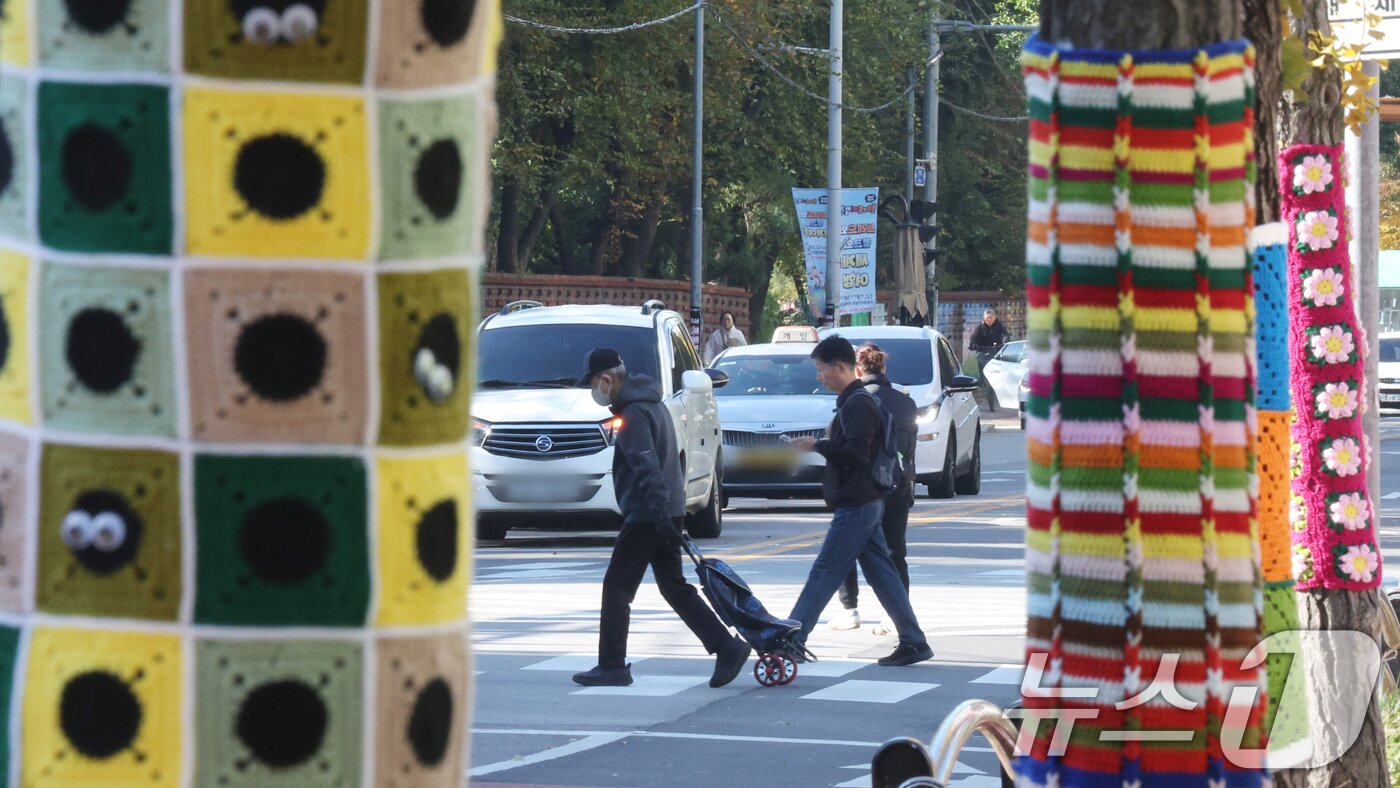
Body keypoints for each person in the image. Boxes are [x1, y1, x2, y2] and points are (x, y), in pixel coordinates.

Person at [571, 348, 752, 688]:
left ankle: (612, 665)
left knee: (616, 588)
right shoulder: (653, 404)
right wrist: (670, 513)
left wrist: (657, 516)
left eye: (594, 383)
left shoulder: (635, 414)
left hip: (647, 514)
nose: (594, 390)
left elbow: (647, 466)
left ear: (606, 380)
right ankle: (727, 646)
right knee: (674, 587)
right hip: (665, 509)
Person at [787, 336, 933, 667]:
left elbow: (856, 453)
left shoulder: (858, 404)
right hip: (866, 501)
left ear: (841, 367)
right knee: (882, 572)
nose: (819, 376)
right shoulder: (855, 401)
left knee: (825, 569)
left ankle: (793, 637)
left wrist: (818, 445)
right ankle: (913, 640)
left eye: (821, 369)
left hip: (858, 502)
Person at [828, 343, 918, 634]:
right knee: (895, 553)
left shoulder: (856, 401)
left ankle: (849, 609)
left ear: (856, 370)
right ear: (884, 369)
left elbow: (845, 448)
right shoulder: (906, 403)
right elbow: (909, 448)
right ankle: (893, 615)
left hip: (864, 489)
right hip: (898, 484)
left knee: (847, 550)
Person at [967, 308, 1010, 373]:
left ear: (994, 317)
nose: (989, 319)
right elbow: (973, 338)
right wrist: (974, 345)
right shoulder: (980, 327)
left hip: (996, 351)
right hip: (983, 352)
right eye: (987, 318)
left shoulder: (999, 326)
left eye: (991, 317)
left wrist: (1005, 343)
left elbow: (1005, 335)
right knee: (984, 372)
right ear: (984, 318)